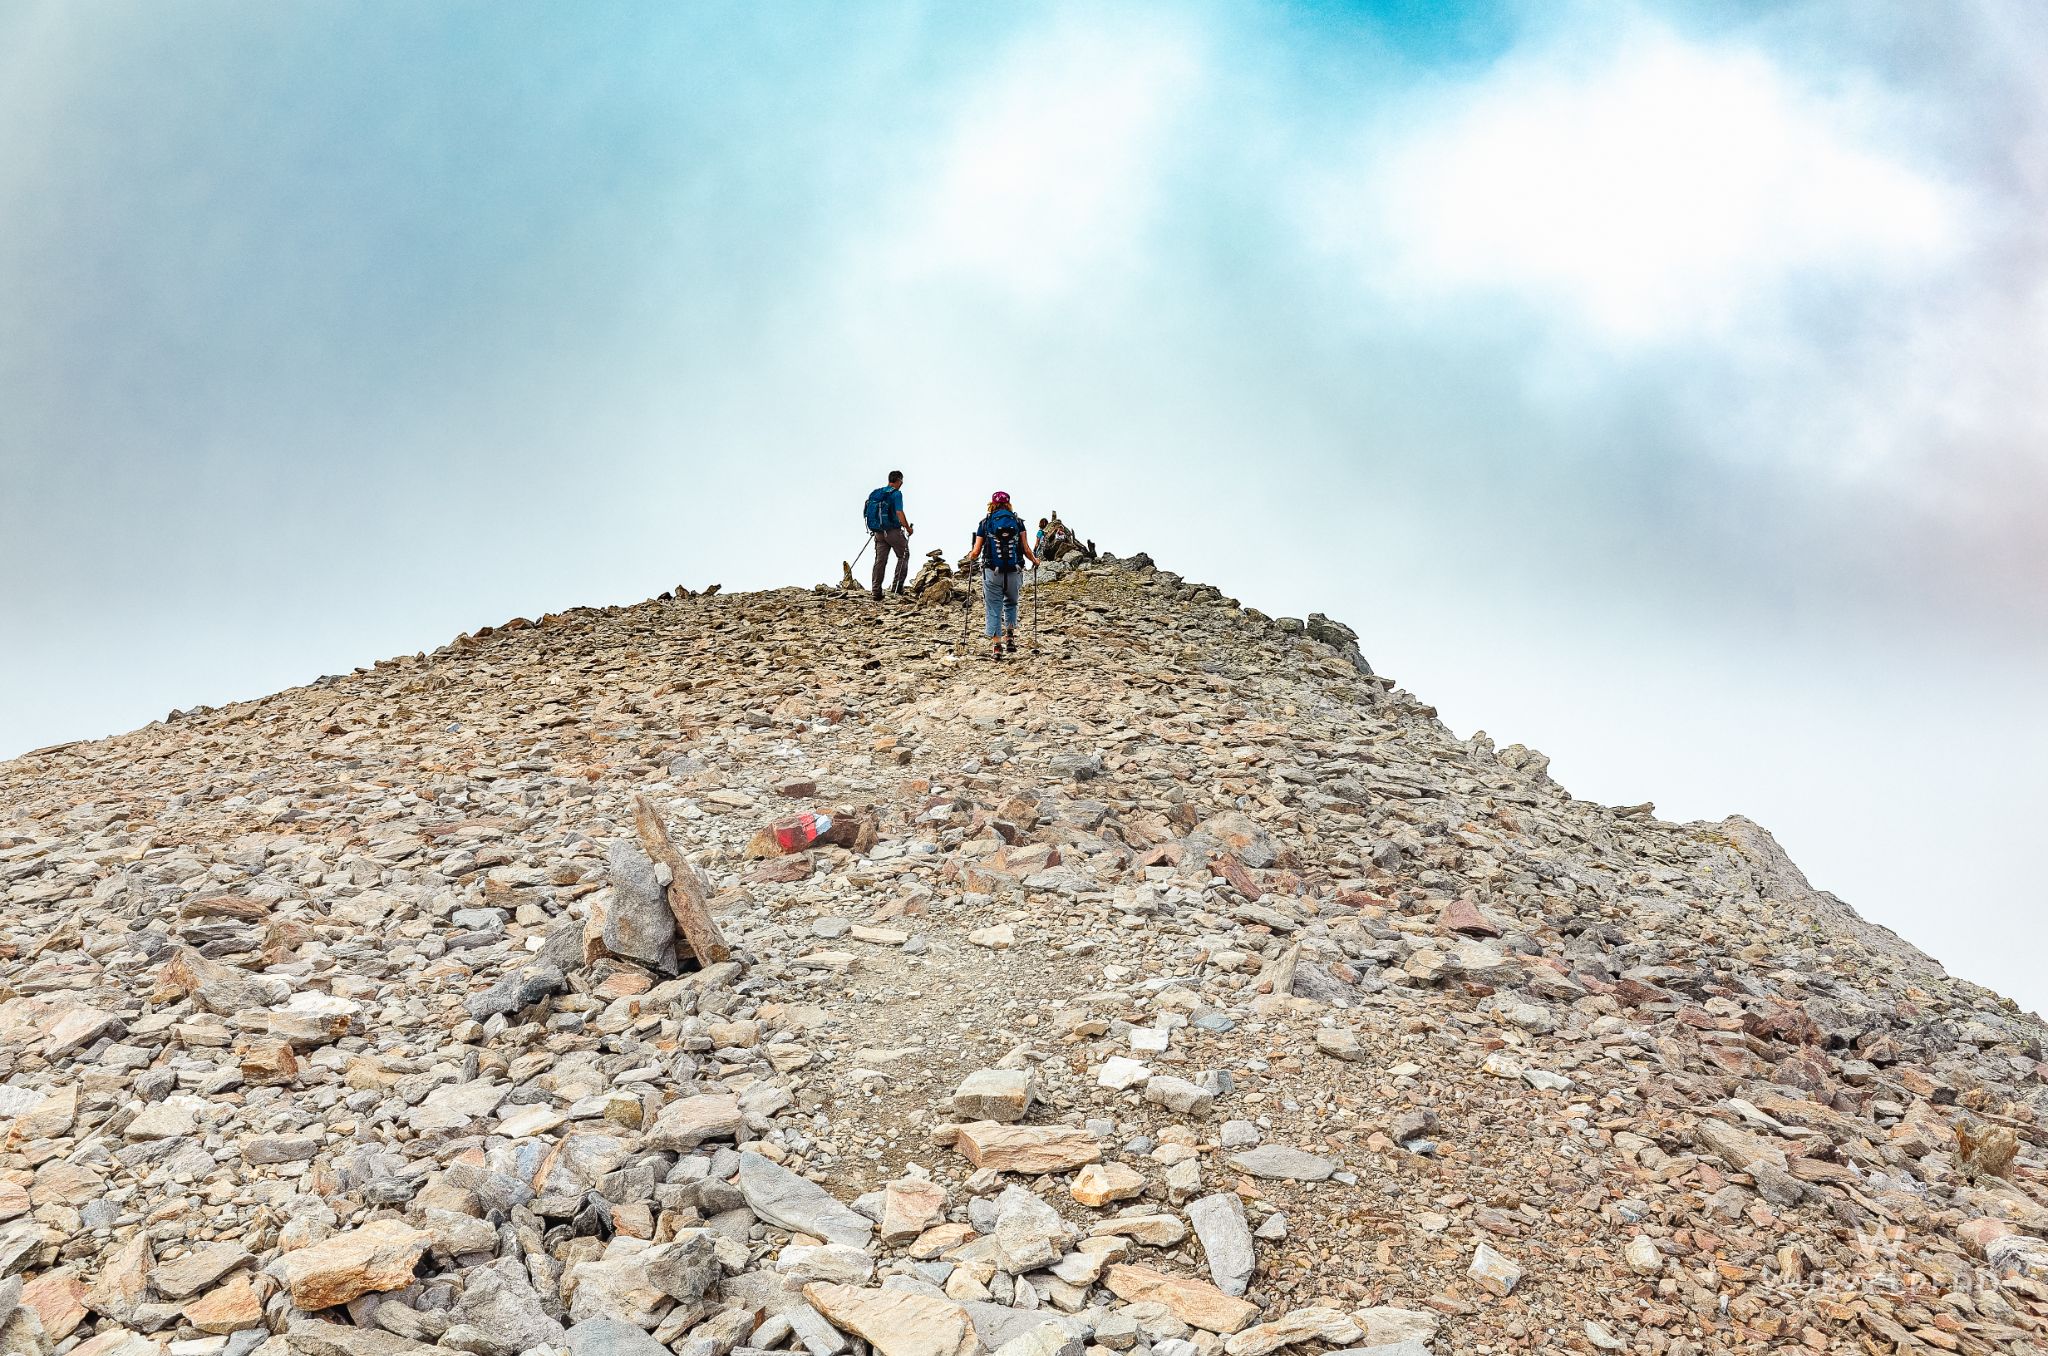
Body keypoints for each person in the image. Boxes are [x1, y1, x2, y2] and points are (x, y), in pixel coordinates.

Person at [962, 491, 1038, 658]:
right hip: (1014, 571)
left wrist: (971, 556)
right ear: (1008, 504)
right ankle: (1010, 636)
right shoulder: (1018, 523)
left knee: (993, 608)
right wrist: (1035, 560)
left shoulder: (985, 523)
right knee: (1011, 603)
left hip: (992, 572)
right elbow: (1026, 549)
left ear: (992, 504)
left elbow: (976, 552)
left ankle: (997, 646)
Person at [862, 471, 913, 600]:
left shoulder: (876, 493)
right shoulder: (896, 494)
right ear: (899, 480)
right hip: (892, 531)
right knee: (904, 555)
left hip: (878, 532)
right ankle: (897, 587)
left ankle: (876, 591)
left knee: (880, 561)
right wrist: (907, 528)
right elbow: (899, 512)